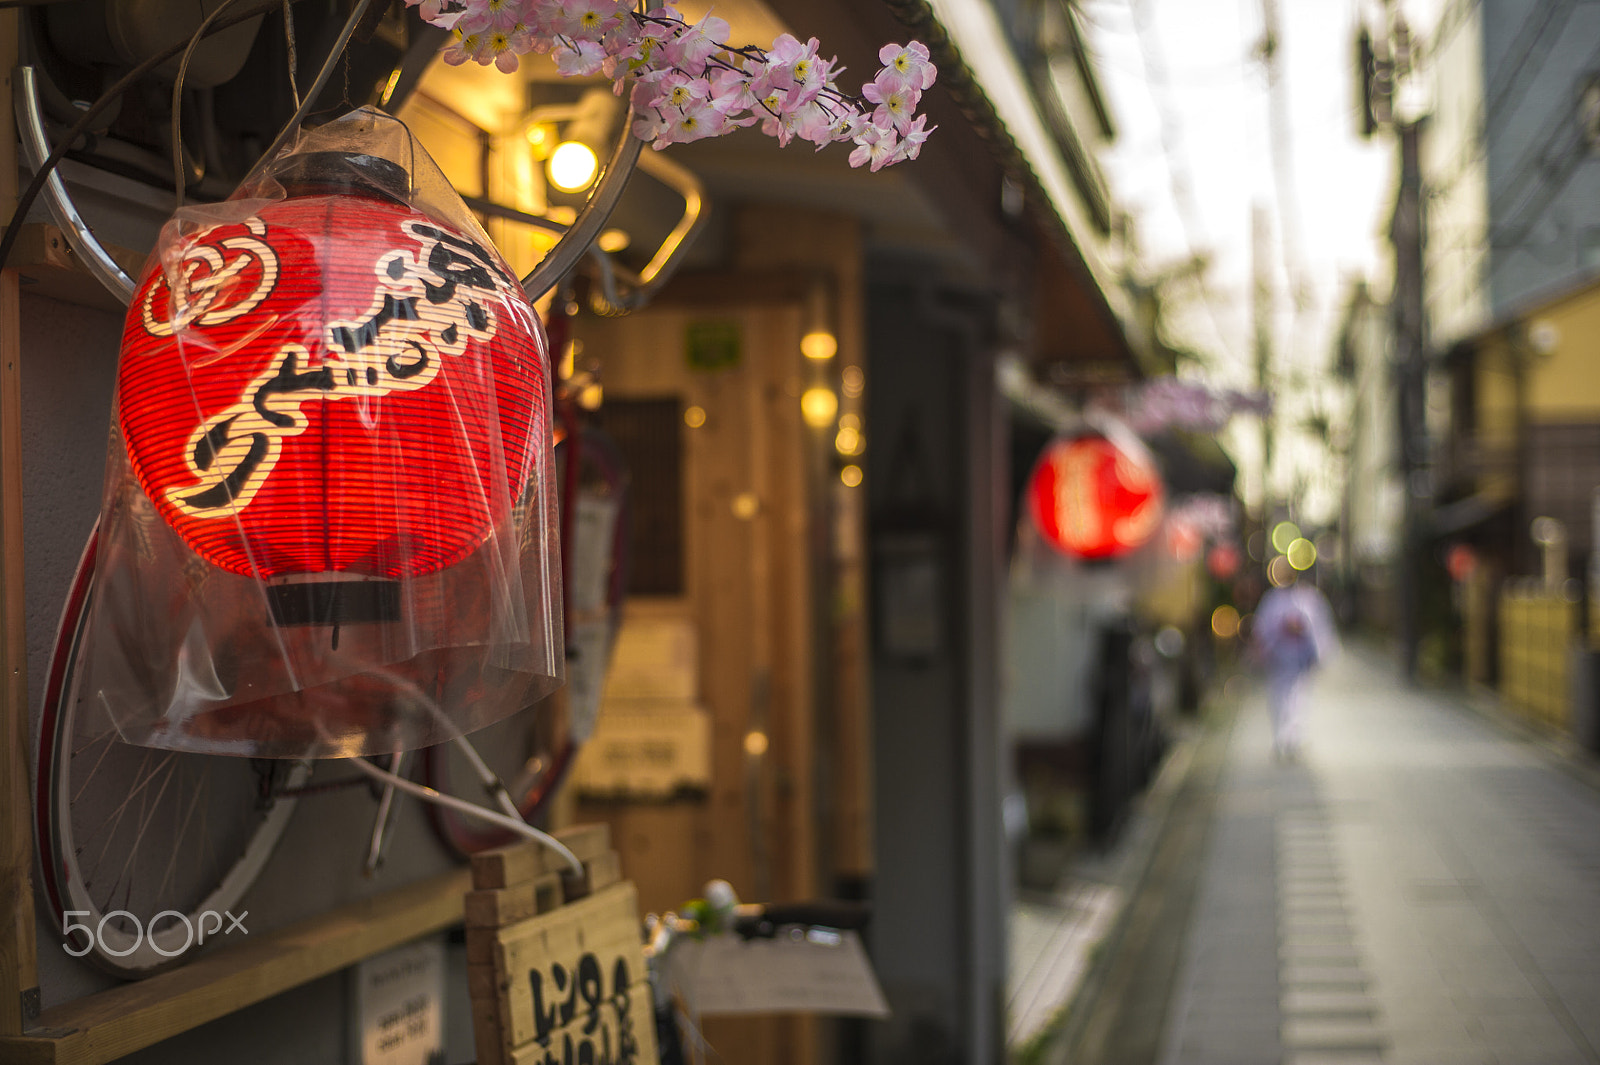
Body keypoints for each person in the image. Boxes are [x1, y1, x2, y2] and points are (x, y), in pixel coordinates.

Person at [1252, 572, 1338, 759]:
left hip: (1301, 659)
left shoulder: (1310, 598)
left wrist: (1305, 632)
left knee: (1300, 697)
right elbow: (1262, 626)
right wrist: (1282, 629)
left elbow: (1320, 626)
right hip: (1278, 659)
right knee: (1278, 698)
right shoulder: (1272, 599)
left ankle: (1295, 738)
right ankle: (1281, 738)